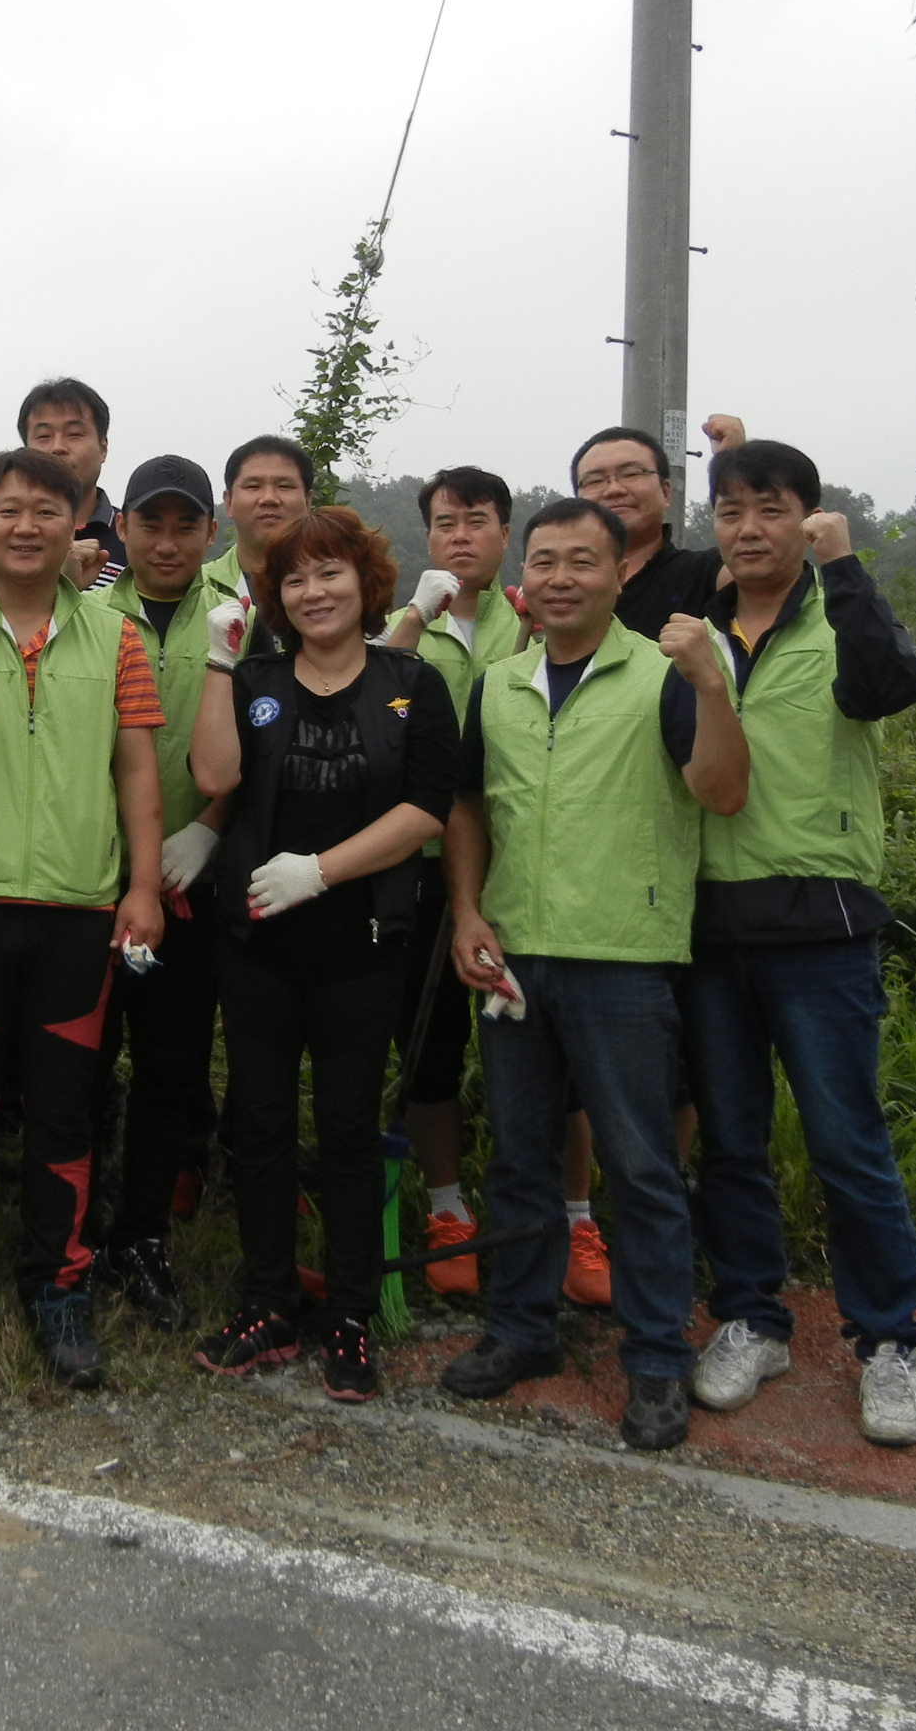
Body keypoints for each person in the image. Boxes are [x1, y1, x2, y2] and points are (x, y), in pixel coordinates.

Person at [441, 497, 749, 1452]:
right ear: (524, 582)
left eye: (586, 560)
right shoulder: (499, 684)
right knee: (522, 1158)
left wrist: (711, 689)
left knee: (644, 1168)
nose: (563, 577)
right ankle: (522, 1330)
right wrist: (466, 911)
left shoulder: (663, 674)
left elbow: (723, 791)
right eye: (548, 562)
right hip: (515, 955)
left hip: (626, 958)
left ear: (623, 576)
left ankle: (657, 1359)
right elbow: (468, 809)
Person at [0, 446, 167, 1388]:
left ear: (80, 518)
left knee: (66, 1111)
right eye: (7, 510)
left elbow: (135, 767)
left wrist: (141, 886)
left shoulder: (117, 636)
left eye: (46, 511)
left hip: (78, 908)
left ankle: (60, 1287)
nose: (25, 526)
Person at [680, 441, 916, 1447]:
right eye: (732, 510)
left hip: (823, 924)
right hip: (709, 923)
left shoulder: (842, 613)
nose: (748, 528)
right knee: (733, 1140)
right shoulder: (691, 627)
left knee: (846, 1139)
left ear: (806, 519)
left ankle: (893, 1340)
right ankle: (752, 1317)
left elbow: (886, 690)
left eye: (770, 509)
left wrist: (849, 569)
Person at [185, 507, 457, 1399]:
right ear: (275, 595)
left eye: (330, 573)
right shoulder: (254, 675)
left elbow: (425, 812)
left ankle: (349, 1311)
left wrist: (323, 870)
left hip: (363, 944)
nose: (314, 592)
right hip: (258, 943)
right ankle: (266, 1298)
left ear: (367, 581)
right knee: (259, 1127)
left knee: (345, 1130)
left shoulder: (412, 683)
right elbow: (217, 778)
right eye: (294, 579)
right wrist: (220, 667)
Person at [381, 467, 612, 1306]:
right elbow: (375, 704)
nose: (461, 537)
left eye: (477, 522)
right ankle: (448, 1210)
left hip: (535, 867)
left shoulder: (539, 618)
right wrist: (416, 612)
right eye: (445, 524)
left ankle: (577, 1216)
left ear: (505, 533)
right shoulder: (407, 626)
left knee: (559, 1057)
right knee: (432, 1045)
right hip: (423, 870)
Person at [94, 454, 232, 1329]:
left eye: (186, 525)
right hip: (91, 882)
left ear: (211, 534)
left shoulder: (243, 619)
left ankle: (140, 1235)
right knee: (82, 1064)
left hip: (197, 888)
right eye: (152, 523)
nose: (168, 541)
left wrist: (212, 823)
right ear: (123, 528)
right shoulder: (83, 611)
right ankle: (71, 1230)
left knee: (170, 1069)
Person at [0, 379, 124, 589]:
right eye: (43, 436)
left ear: (103, 448)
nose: (58, 447)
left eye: (74, 434)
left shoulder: (129, 533)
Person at [572, 426, 722, 640]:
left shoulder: (704, 573)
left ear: (666, 492)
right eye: (595, 481)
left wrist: (734, 463)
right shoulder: (557, 584)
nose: (614, 489)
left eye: (631, 473)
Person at [198, 435, 315, 630]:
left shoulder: (342, 591)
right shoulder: (197, 587)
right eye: (253, 486)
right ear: (228, 502)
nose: (269, 498)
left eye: (284, 486)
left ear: (308, 501)